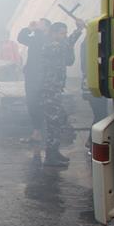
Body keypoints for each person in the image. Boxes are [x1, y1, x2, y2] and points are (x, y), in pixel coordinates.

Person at [41, 20, 84, 166]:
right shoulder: (48, 46)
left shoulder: (60, 46)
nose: (64, 36)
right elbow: (67, 44)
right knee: (53, 121)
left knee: (57, 121)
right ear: (53, 33)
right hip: (49, 91)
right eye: (62, 33)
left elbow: (69, 59)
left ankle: (54, 151)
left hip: (56, 90)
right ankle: (50, 156)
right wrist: (77, 31)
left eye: (65, 33)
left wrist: (77, 31)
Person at [17, 18, 50, 143]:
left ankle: (40, 132)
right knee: (31, 103)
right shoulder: (35, 38)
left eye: (41, 23)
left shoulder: (46, 39)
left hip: (42, 76)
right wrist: (29, 29)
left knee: (39, 103)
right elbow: (21, 38)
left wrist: (36, 31)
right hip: (31, 75)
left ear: (46, 27)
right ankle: (37, 131)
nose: (37, 24)